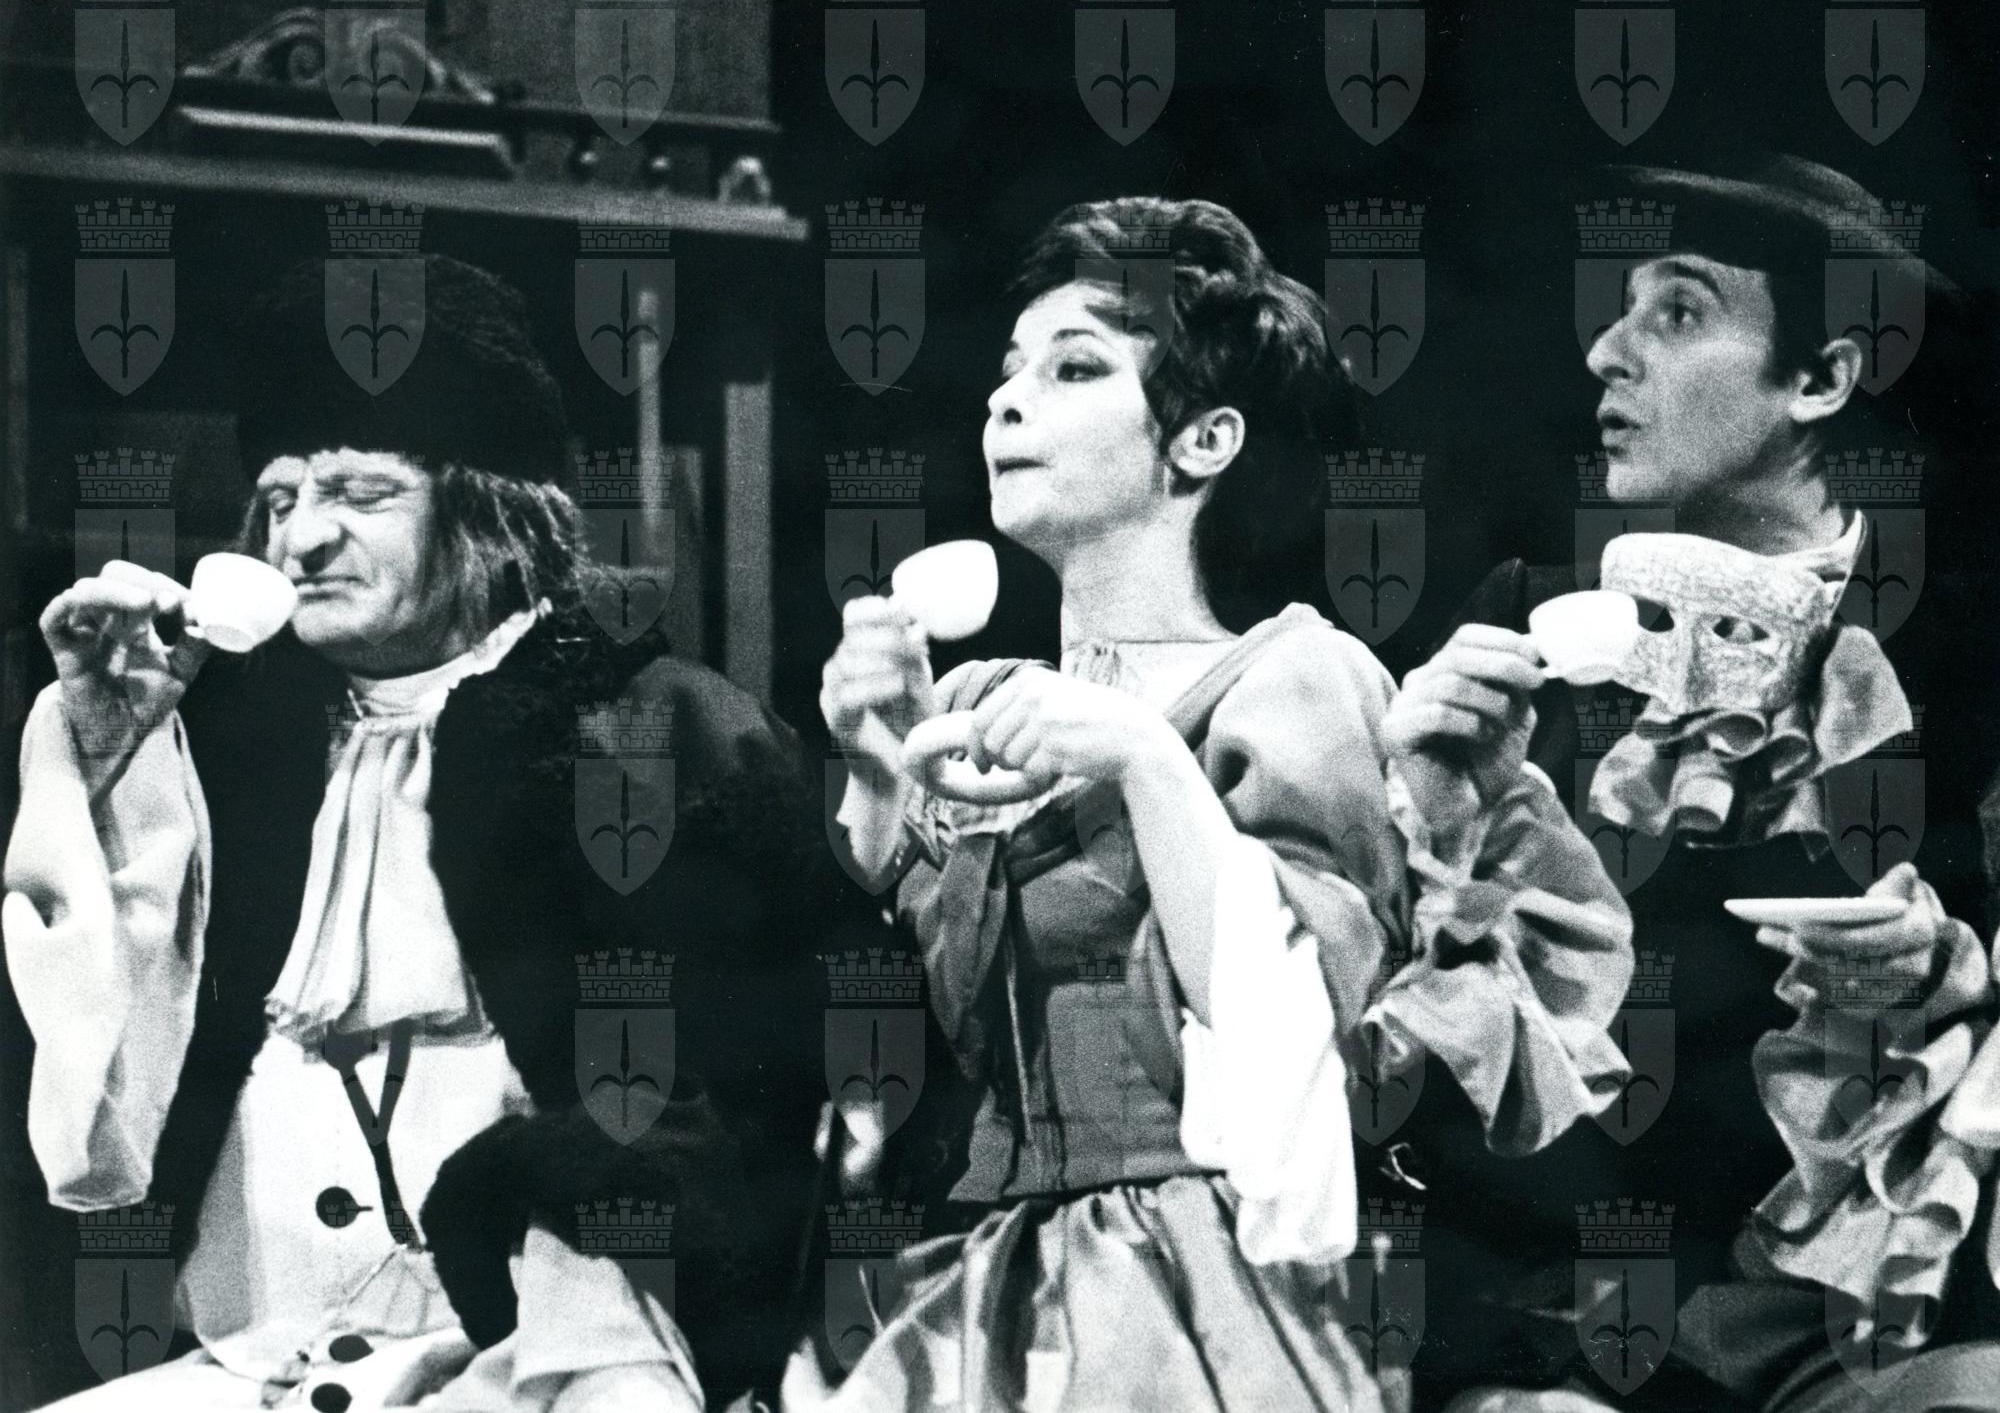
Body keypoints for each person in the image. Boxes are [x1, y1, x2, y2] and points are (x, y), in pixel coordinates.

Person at [810, 197, 1635, 1411]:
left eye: (1073, 367)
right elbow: (932, 1052)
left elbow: (1303, 1057)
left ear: (1201, 442)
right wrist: (879, 773)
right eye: (1009, 369)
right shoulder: (980, 699)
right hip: (1004, 1272)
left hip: (1228, 1271)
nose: (1004, 402)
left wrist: (1148, 761)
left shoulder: (1295, 676)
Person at [3, 256, 827, 1411]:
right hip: (255, 1358)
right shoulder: (233, 757)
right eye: (279, 499)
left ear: (492, 508)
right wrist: (103, 756)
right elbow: (95, 1106)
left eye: (358, 493)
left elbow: (780, 1104)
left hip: (546, 1360)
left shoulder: (666, 729)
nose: (302, 538)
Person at [1383, 155, 2000, 1411]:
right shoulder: (1521, 628)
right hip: (1554, 1302)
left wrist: (1944, 974)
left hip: (1845, 1304)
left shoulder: (1962, 649)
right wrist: (1426, 816)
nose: (1605, 354)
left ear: (1820, 379)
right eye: (1618, 312)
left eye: (1675, 312)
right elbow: (1410, 1033)